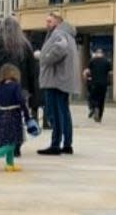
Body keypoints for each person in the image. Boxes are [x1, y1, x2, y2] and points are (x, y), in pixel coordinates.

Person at [0, 16, 37, 138]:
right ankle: (16, 141)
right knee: (17, 114)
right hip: (20, 85)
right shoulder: (24, 44)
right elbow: (32, 69)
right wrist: (33, 91)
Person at [37, 12, 78, 156]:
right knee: (64, 112)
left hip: (55, 80)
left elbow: (60, 48)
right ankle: (67, 144)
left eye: (49, 21)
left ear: (58, 22)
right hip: (63, 79)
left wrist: (44, 58)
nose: (47, 24)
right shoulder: (69, 35)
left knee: (54, 112)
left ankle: (55, 144)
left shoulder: (58, 33)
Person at [0, 64, 32, 172]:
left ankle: (10, 164)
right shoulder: (15, 86)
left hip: (1, 114)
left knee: (8, 140)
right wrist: (27, 115)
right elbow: (20, 100)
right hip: (13, 115)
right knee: (13, 142)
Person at [84, 49, 112, 123]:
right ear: (102, 54)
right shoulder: (107, 62)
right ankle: (99, 117)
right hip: (103, 84)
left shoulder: (92, 61)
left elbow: (86, 72)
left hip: (94, 83)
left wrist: (86, 79)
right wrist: (109, 82)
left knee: (92, 97)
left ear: (96, 54)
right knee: (101, 100)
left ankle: (94, 107)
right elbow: (110, 73)